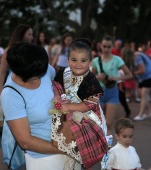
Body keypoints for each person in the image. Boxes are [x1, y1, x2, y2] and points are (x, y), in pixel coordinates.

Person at [0, 42, 70, 170]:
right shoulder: (10, 95)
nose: (44, 73)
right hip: (44, 158)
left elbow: (61, 83)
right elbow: (25, 141)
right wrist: (64, 149)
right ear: (27, 73)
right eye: (38, 73)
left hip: (68, 146)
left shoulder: (42, 68)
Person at [53, 38, 107, 169]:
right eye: (74, 60)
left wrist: (69, 106)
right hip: (65, 112)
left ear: (90, 62)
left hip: (87, 115)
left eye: (83, 61)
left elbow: (89, 105)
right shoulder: (62, 73)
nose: (78, 64)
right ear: (67, 61)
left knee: (80, 145)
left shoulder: (91, 81)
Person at [92, 35, 132, 141]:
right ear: (101, 46)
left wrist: (116, 78)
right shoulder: (96, 61)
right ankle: (98, 145)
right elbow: (89, 78)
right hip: (99, 93)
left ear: (112, 47)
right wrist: (97, 77)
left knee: (109, 124)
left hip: (112, 92)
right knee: (99, 123)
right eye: (104, 46)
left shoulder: (117, 59)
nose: (106, 49)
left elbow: (129, 74)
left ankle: (107, 148)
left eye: (108, 47)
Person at [0, 24, 33, 122]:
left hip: (28, 89)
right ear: (21, 35)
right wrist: (0, 91)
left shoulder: (32, 51)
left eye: (32, 34)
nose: (32, 37)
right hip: (13, 90)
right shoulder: (9, 51)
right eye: (29, 34)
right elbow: (2, 72)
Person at [133, 52, 151, 121]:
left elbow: (142, 70)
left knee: (144, 94)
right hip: (147, 77)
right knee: (144, 95)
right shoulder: (139, 55)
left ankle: (141, 114)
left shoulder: (137, 57)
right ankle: (149, 112)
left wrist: (133, 73)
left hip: (150, 76)